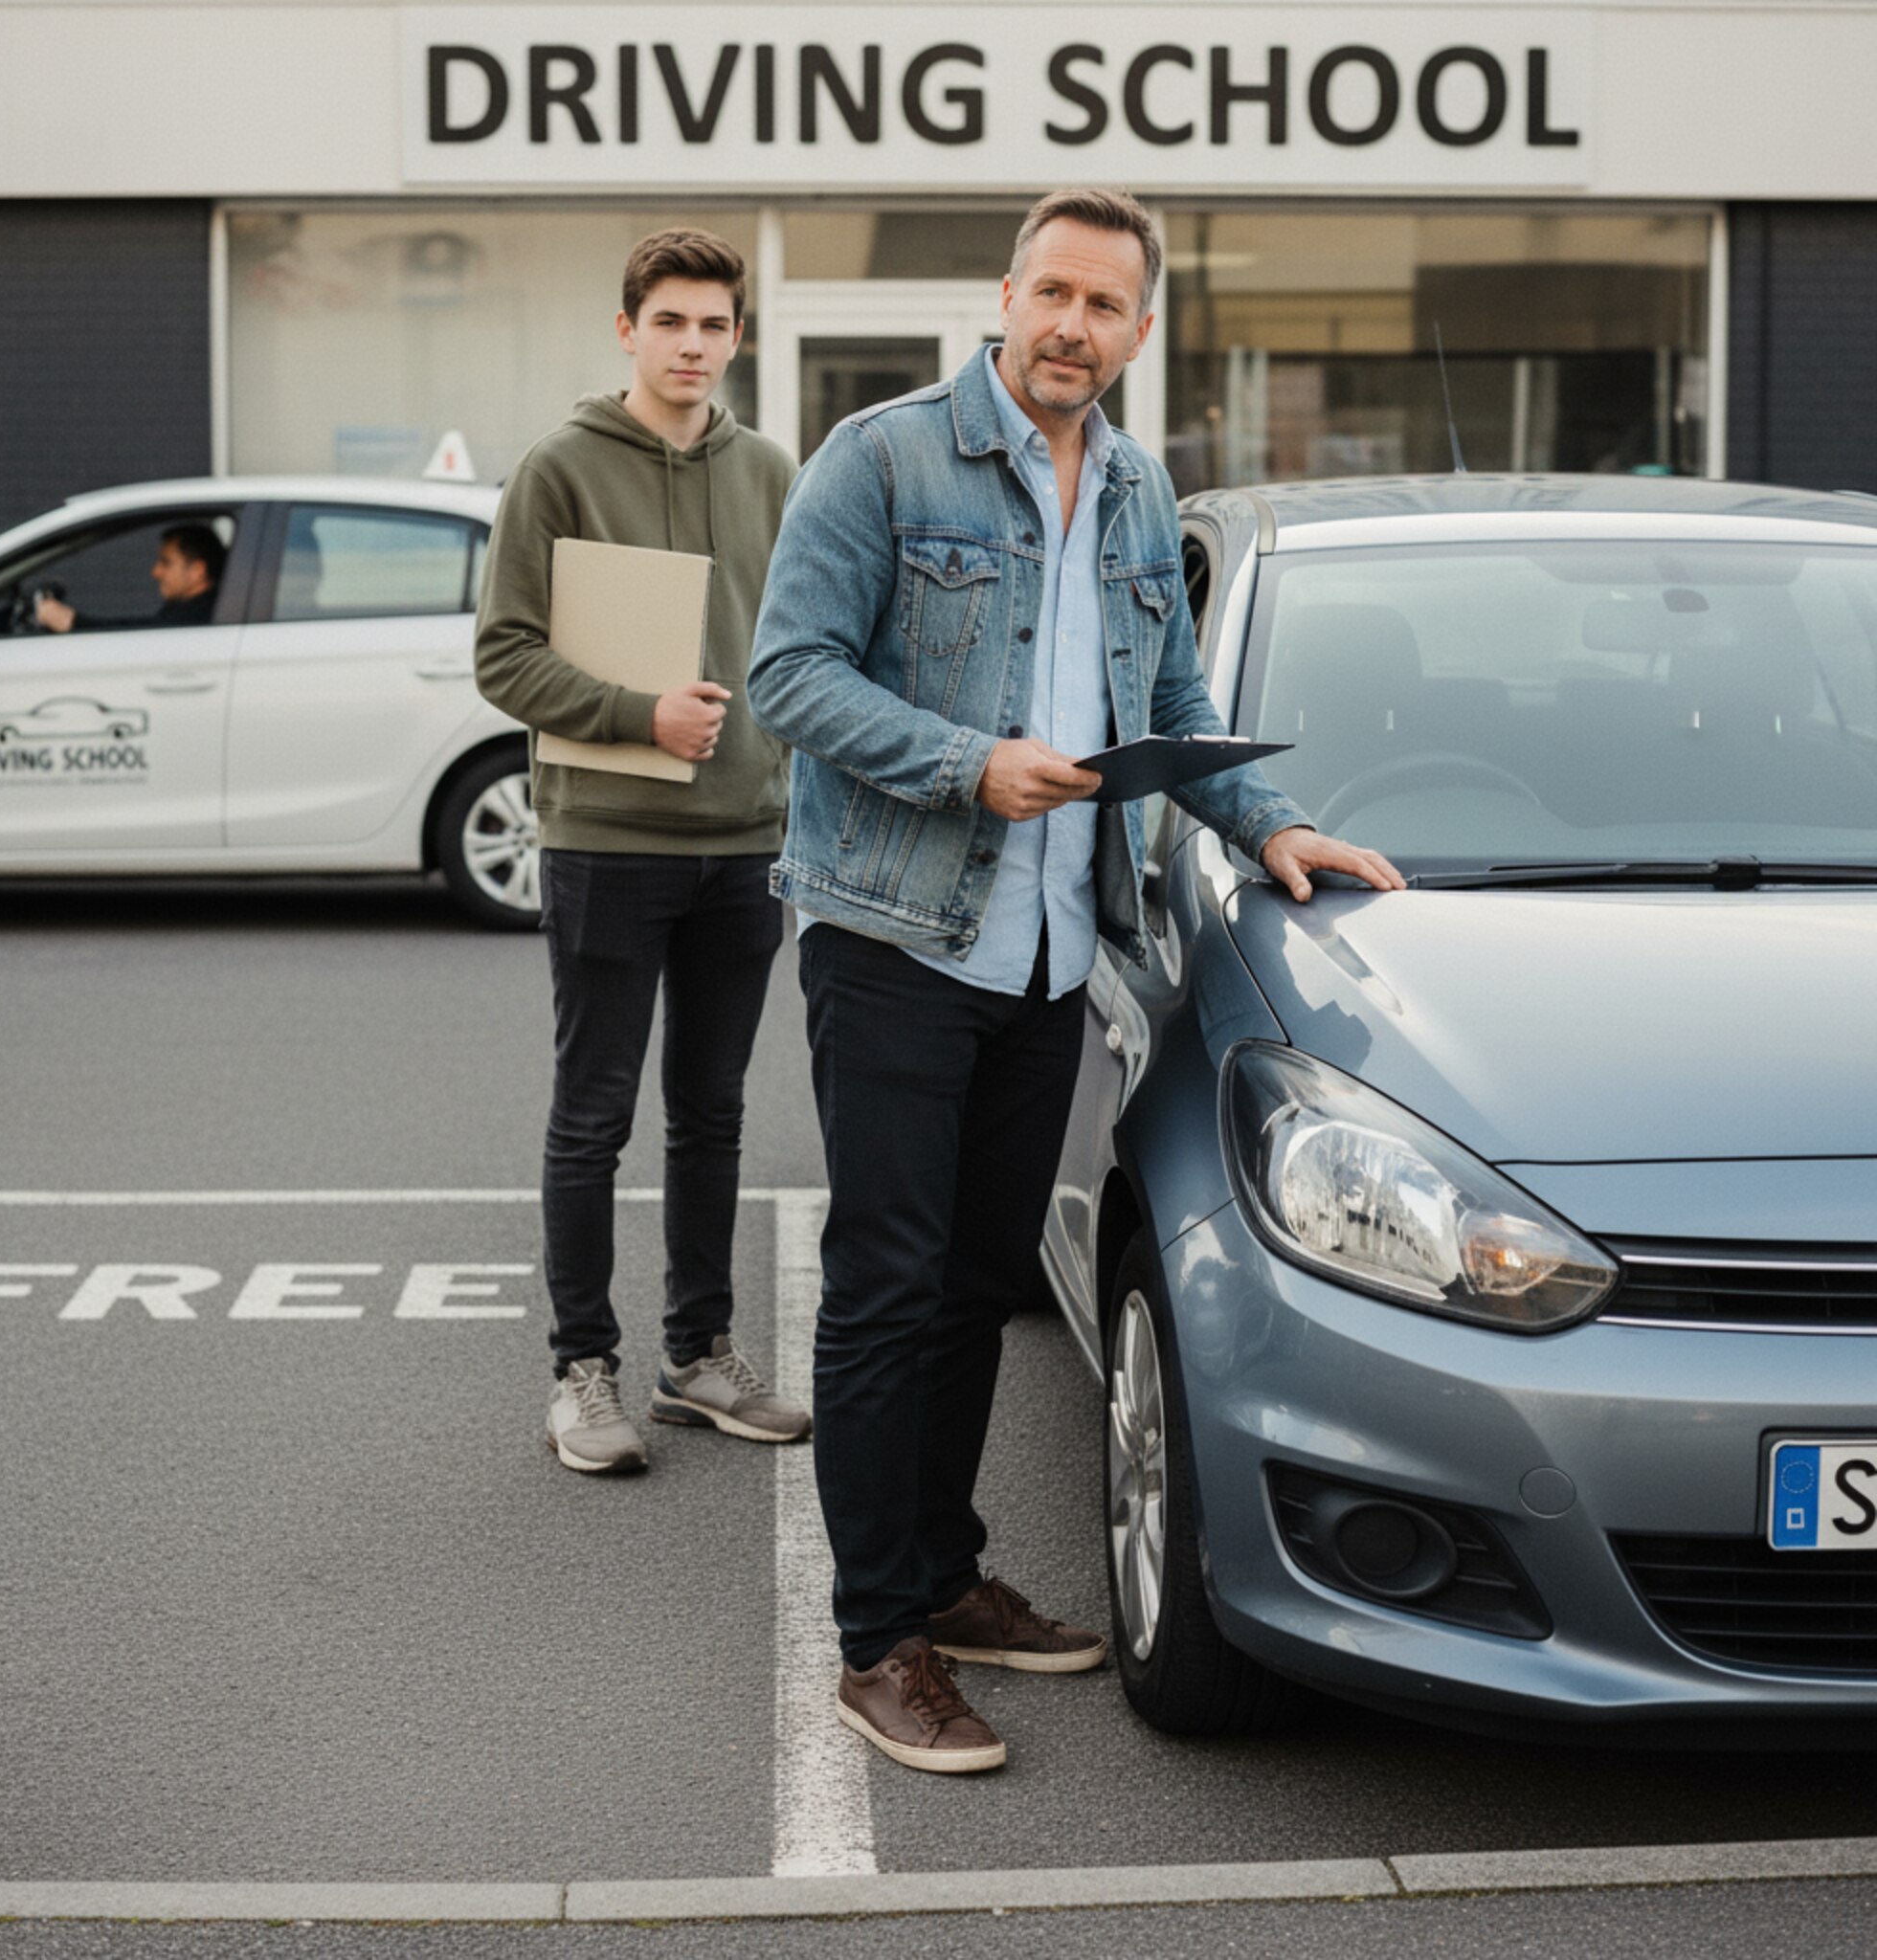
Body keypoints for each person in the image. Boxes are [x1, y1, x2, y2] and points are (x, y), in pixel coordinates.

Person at [748, 188, 1405, 1774]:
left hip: (1047, 953)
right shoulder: (884, 456)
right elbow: (787, 671)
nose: (1068, 326)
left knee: (977, 1281)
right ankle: (875, 1640)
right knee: (889, 1290)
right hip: (898, 935)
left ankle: (946, 1572)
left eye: (1101, 306)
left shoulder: (1129, 488)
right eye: (1048, 292)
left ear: (1138, 327)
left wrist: (1276, 822)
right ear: (1004, 295)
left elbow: (1172, 696)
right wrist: (967, 763)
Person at [475, 227, 810, 1475]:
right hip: (608, 840)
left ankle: (698, 1358)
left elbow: (803, 648)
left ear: (737, 336)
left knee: (711, 1113)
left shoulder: (771, 472)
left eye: (713, 324)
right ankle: (582, 1372)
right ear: (629, 328)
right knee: (593, 1117)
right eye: (669, 321)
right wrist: (638, 717)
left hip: (742, 842)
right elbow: (502, 653)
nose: (690, 344)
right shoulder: (560, 468)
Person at [34, 523, 226, 632]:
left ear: (197, 571)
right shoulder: (199, 609)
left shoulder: (200, 617)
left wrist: (74, 623)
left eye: (166, 563)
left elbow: (144, 635)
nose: (155, 572)